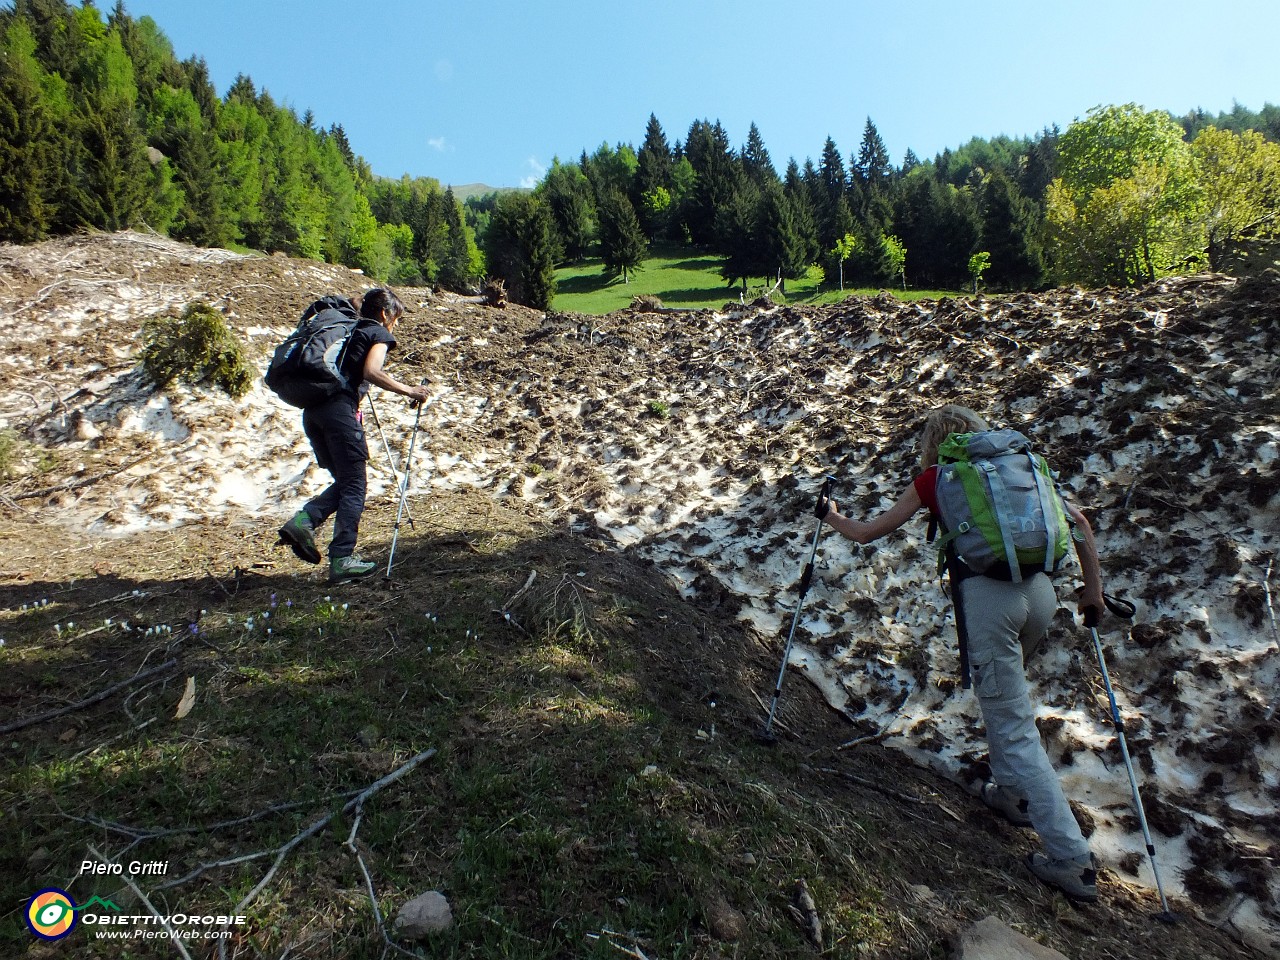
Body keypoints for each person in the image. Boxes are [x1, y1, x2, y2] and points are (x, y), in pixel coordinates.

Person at [819, 403, 1106, 902]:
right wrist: (1093, 593)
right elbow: (1079, 522)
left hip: (990, 603)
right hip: (1040, 594)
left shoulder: (937, 479)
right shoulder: (1016, 466)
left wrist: (832, 517)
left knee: (1013, 726)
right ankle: (1013, 797)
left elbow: (868, 533)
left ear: (933, 444)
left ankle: (1072, 860)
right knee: (1006, 705)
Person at [278, 288, 431, 583]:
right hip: (338, 413)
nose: (395, 326)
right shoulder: (377, 332)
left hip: (313, 412)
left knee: (347, 482)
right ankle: (342, 558)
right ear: (386, 314)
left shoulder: (350, 330)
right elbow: (372, 371)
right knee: (356, 486)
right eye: (396, 319)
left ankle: (305, 521)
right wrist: (410, 390)